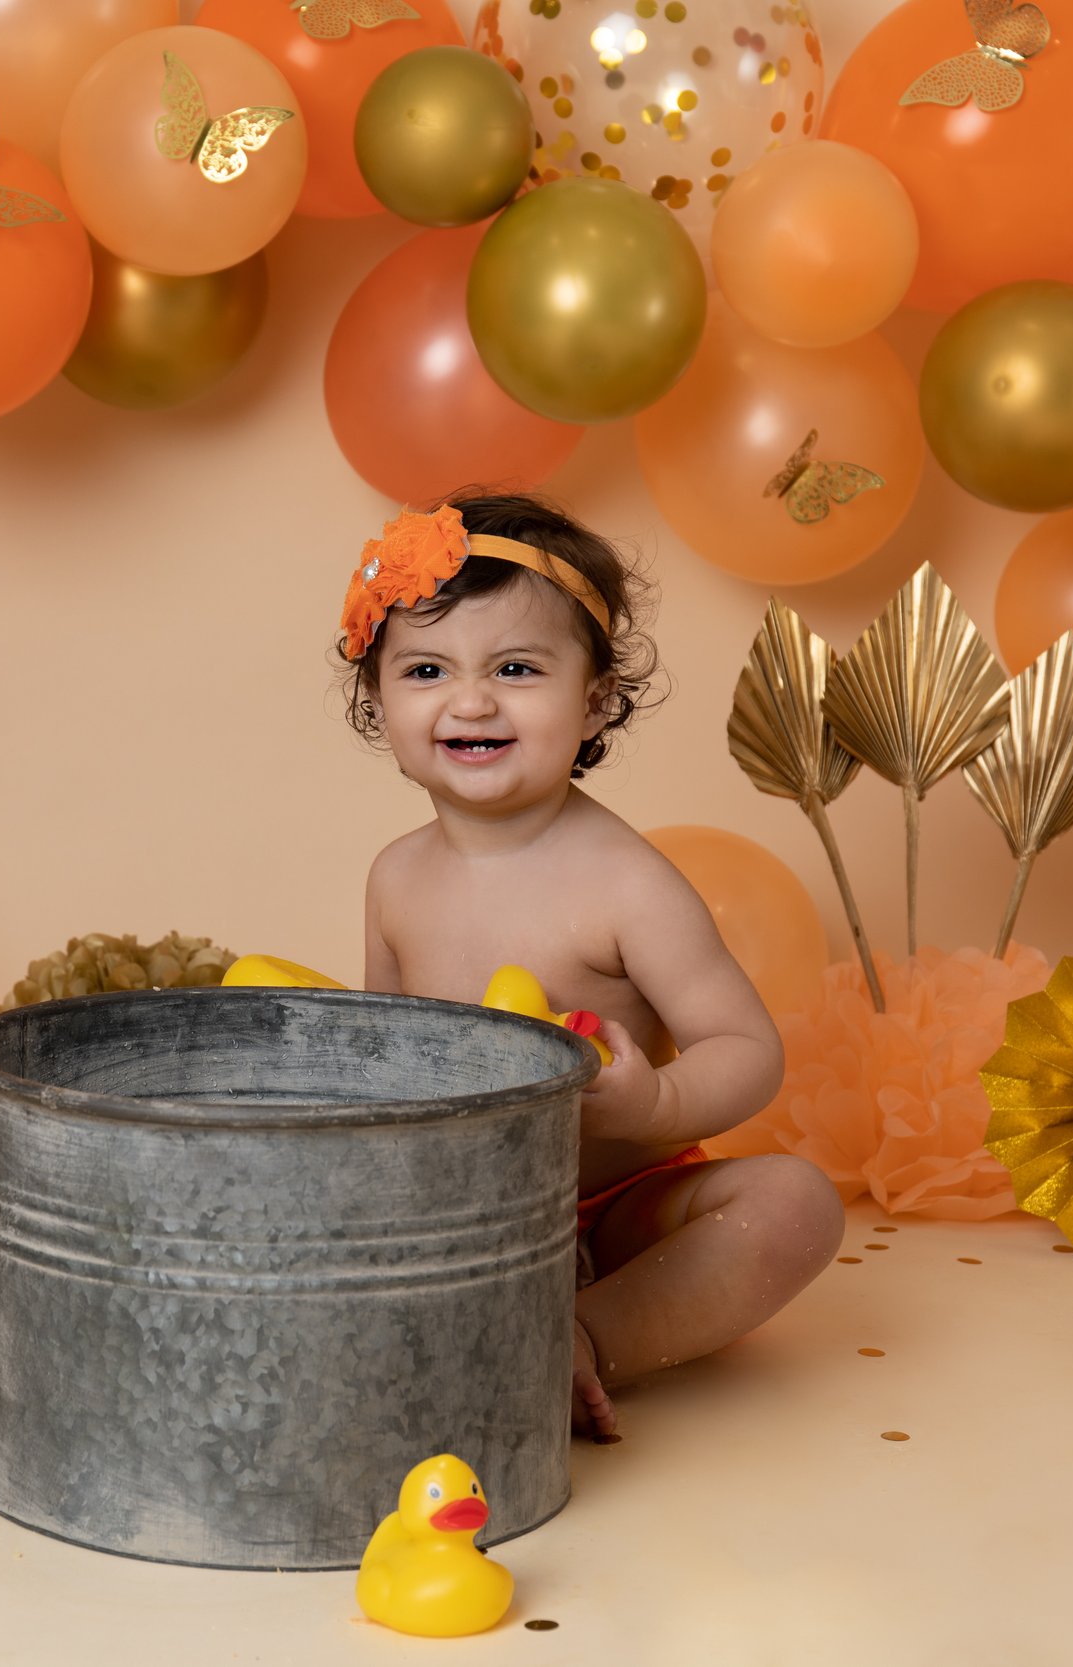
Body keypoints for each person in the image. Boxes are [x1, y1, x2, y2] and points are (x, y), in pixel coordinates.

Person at [340, 492, 842, 1442]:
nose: (473, 698)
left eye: (518, 667)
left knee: (793, 1204)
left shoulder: (627, 882)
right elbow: (381, 1060)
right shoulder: (395, 877)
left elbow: (746, 1048)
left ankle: (585, 1338)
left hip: (611, 1214)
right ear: (381, 701)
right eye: (426, 669)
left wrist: (653, 1107)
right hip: (453, 1219)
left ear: (596, 698)